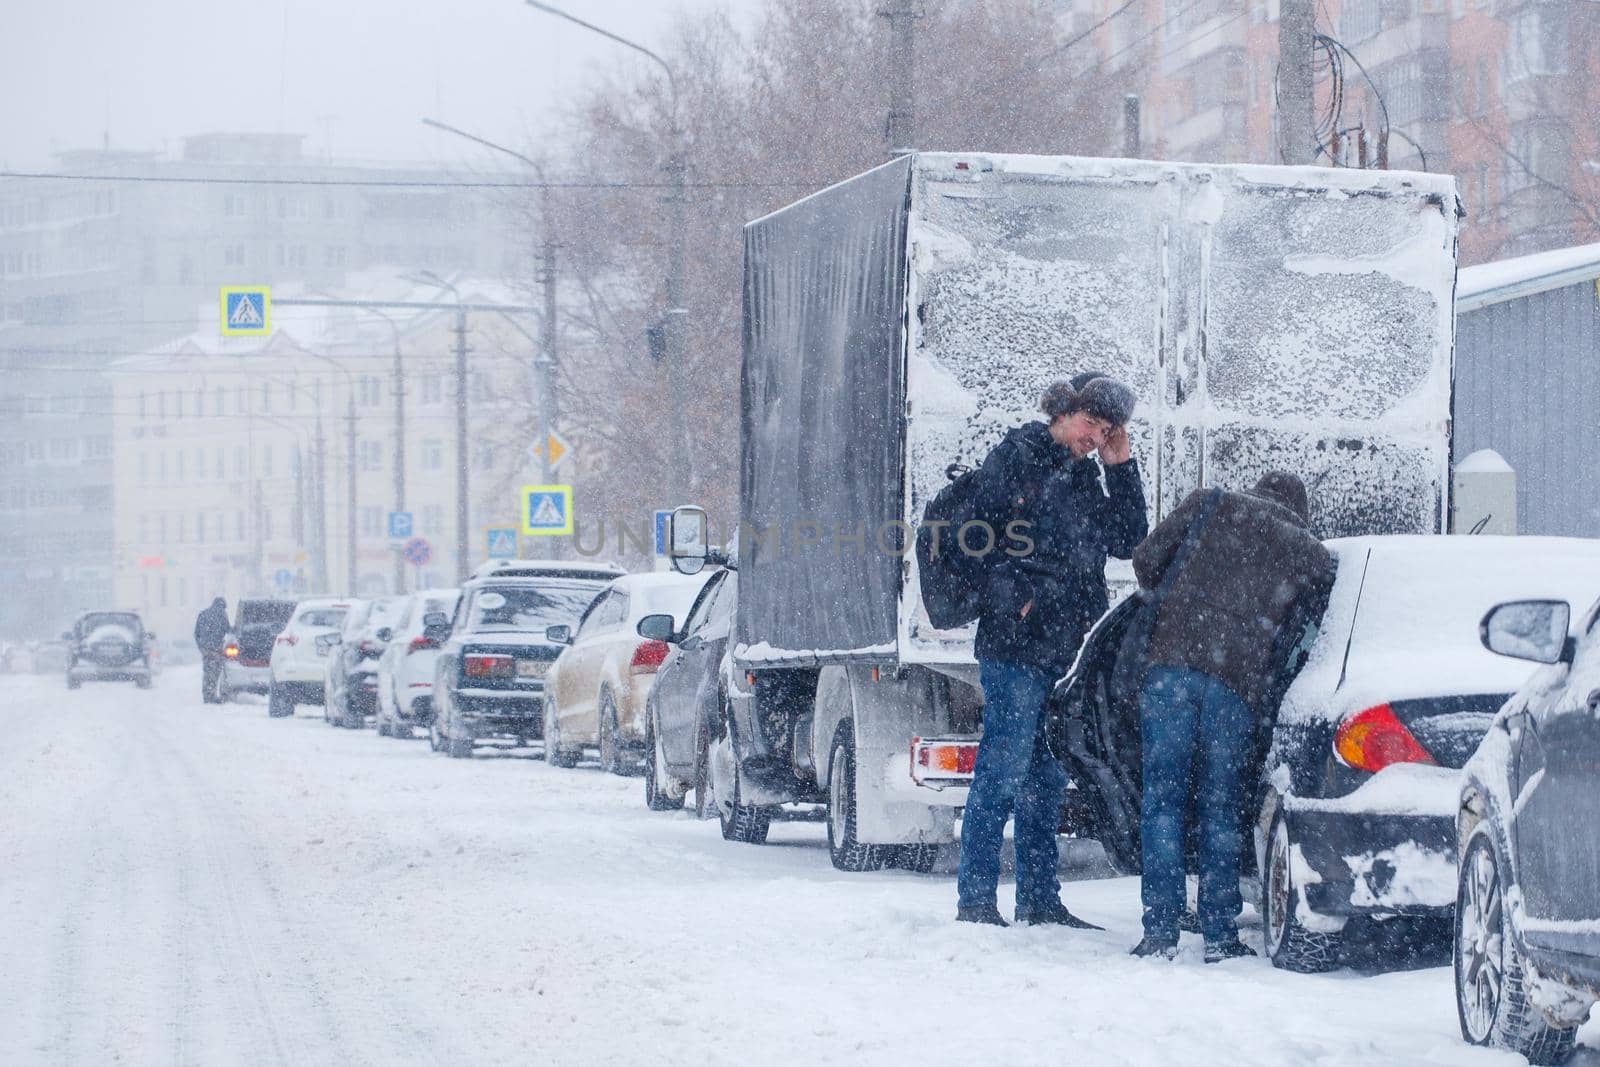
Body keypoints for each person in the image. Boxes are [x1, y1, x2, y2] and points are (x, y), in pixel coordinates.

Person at [956, 375, 1148, 927]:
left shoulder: (1088, 473)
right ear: (1063, 411)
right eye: (1091, 424)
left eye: (1107, 430)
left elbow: (1129, 541)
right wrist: (1017, 599)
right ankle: (975, 900)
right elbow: (976, 539)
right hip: (1015, 646)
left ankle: (1039, 900)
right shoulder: (1014, 456)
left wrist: (1120, 465)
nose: (1096, 436)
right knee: (1002, 769)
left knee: (1045, 777)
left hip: (1067, 649)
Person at [1127, 472, 1336, 962]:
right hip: (1233, 682)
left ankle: (1159, 929)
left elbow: (1144, 563)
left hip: (1171, 668)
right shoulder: (1306, 549)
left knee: (1162, 801)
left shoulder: (1208, 503)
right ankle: (1220, 933)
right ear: (1299, 510)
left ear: (1258, 488)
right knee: (1220, 807)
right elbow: (1316, 616)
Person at [194, 596, 230, 703]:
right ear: (223, 605)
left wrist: (201, 647)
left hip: (206, 649)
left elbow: (197, 633)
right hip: (217, 649)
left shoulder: (203, 614)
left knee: (207, 671)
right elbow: (227, 629)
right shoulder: (222, 614)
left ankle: (207, 695)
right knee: (216, 672)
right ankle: (212, 695)